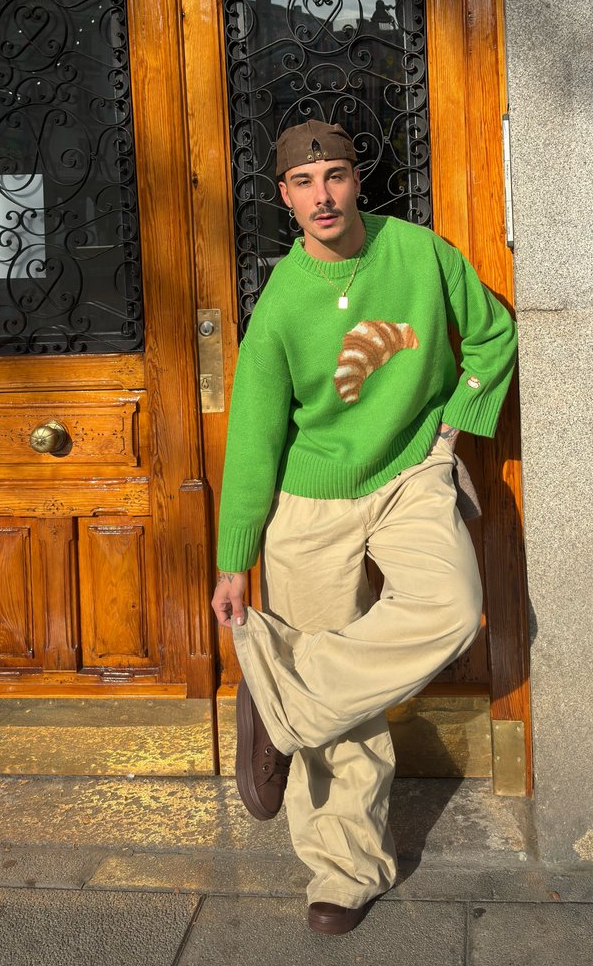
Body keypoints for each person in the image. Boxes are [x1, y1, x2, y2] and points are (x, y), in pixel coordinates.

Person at [211, 119, 517, 935]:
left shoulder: (419, 253)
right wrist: (234, 559)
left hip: (413, 471)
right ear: (285, 197)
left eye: (336, 177)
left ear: (356, 180)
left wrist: (451, 433)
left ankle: (281, 703)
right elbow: (253, 440)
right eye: (305, 184)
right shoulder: (279, 303)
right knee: (340, 703)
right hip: (310, 498)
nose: (323, 196)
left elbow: (492, 333)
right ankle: (344, 871)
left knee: (450, 607)